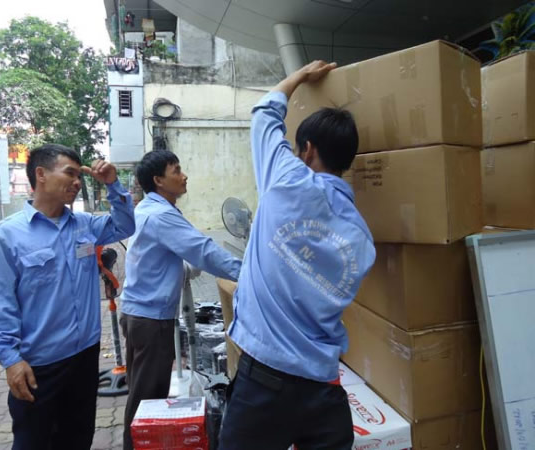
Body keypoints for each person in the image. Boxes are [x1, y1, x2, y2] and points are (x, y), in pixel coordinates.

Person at [218, 61, 377, 450]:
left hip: (264, 384)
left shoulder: (286, 178)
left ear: (306, 150)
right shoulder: (362, 239)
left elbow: (264, 113)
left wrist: (299, 77)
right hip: (323, 390)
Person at [0, 144, 135, 450]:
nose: (77, 182)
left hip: (84, 357)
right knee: (35, 442)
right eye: (70, 173)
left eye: (79, 176)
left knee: (78, 438)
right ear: (41, 174)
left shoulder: (85, 225)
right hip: (39, 366)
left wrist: (112, 184)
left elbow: (125, 224)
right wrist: (11, 360)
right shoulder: (6, 237)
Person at [120, 149, 242, 450]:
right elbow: (204, 251)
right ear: (158, 180)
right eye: (176, 170)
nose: (184, 176)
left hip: (137, 314)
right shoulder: (161, 215)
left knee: (141, 393)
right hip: (151, 320)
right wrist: (251, 271)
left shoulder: (148, 208)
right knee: (147, 401)